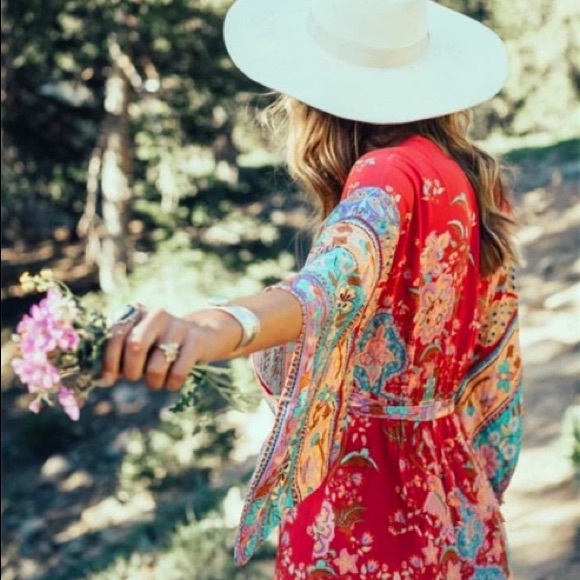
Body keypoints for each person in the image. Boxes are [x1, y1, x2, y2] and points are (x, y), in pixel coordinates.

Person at [102, 0, 524, 577]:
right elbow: (494, 353)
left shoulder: (385, 174)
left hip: (367, 507)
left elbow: (327, 288)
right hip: (453, 491)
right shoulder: (474, 180)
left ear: (312, 98)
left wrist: (210, 327)